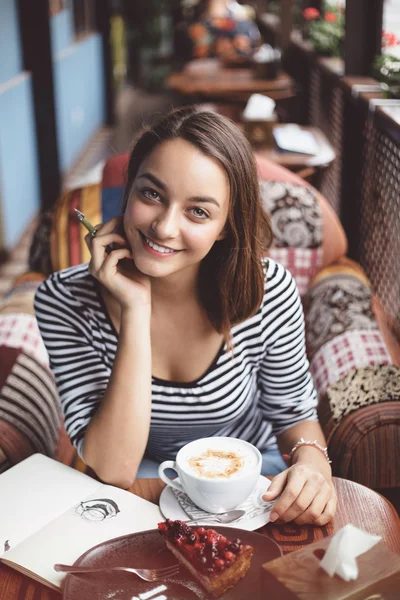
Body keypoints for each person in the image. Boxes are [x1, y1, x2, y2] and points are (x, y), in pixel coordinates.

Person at [35, 107, 337, 526]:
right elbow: (114, 468)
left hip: (254, 477)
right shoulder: (63, 300)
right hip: (146, 479)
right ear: (129, 191)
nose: (163, 227)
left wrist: (312, 465)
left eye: (198, 211)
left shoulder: (269, 290)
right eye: (152, 194)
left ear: (226, 227)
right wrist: (136, 308)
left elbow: (293, 416)